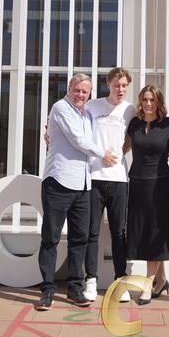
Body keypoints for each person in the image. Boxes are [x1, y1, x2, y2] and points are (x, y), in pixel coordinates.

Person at [36, 74, 117, 311]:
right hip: (58, 182)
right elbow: (77, 140)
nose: (80, 95)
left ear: (90, 94)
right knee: (50, 239)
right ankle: (47, 291)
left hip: (83, 185)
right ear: (69, 89)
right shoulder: (60, 108)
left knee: (79, 239)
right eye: (77, 90)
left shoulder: (87, 114)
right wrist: (103, 154)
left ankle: (74, 288)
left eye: (85, 92)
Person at [82, 68, 135, 302]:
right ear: (108, 84)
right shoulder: (93, 106)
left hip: (119, 179)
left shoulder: (130, 109)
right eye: (116, 85)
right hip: (94, 177)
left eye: (124, 85)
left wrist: (127, 147)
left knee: (119, 233)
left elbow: (134, 135)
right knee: (91, 232)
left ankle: (120, 282)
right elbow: (76, 127)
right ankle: (90, 281)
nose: (120, 89)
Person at [124, 84, 169, 305]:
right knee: (144, 232)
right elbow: (123, 148)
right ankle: (161, 279)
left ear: (158, 102)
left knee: (155, 232)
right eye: (145, 99)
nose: (148, 104)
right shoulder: (134, 124)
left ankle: (148, 285)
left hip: (160, 185)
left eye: (152, 100)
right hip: (137, 183)